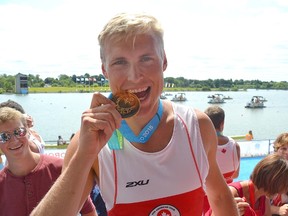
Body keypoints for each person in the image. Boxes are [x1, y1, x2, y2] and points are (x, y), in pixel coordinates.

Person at [31, 13, 238, 216]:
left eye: (146, 59)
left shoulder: (196, 126)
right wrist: (84, 155)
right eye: (120, 62)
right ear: (105, 70)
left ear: (164, 61)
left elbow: (219, 197)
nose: (135, 75)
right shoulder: (87, 142)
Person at [0, 107, 97, 216]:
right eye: (4, 136)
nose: (14, 140)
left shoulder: (62, 169)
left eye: (19, 132)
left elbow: (89, 212)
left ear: (28, 131)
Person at [204, 105, 241, 183]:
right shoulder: (235, 146)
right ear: (222, 124)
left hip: (208, 191)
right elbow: (235, 175)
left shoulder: (202, 144)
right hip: (229, 189)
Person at [270, 132, 288, 215]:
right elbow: (257, 203)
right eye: (284, 148)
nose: (287, 152)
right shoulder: (268, 170)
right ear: (277, 150)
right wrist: (277, 210)